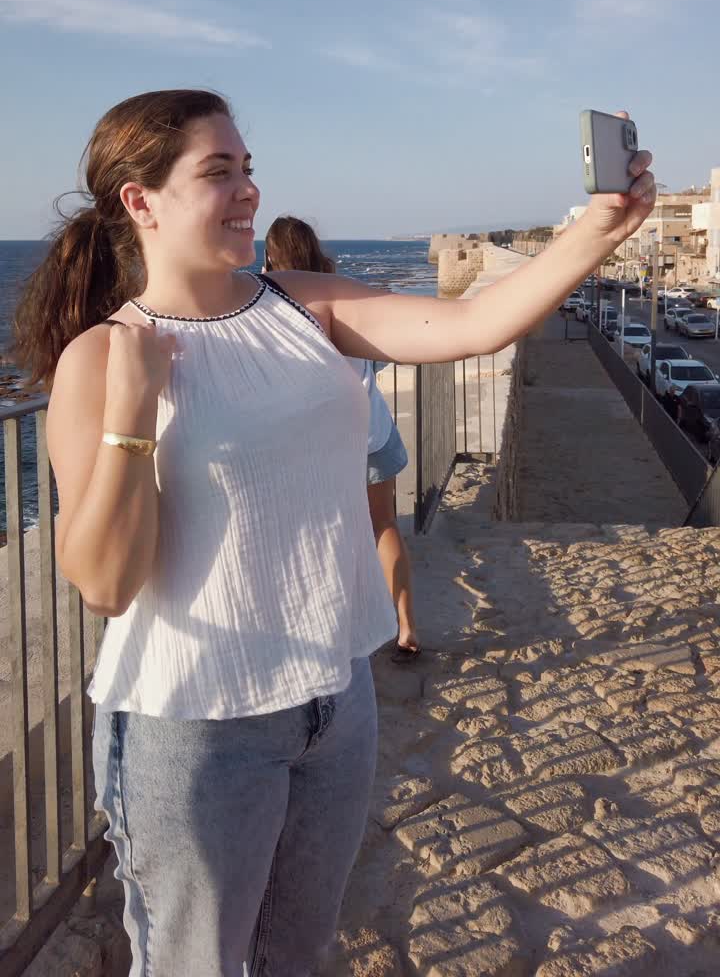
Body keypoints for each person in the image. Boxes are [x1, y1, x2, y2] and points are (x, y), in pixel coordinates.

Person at [12, 91, 655, 977]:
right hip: (193, 727)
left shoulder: (302, 307)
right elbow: (105, 584)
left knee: (298, 953)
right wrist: (130, 412)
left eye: (246, 167)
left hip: (332, 697)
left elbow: (471, 324)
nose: (248, 191)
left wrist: (601, 229)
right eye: (217, 172)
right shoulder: (103, 358)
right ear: (140, 200)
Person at [263, 215, 420, 660]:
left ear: (271, 257)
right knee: (383, 526)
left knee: (322, 536)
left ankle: (335, 634)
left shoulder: (276, 310)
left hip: (324, 446)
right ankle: (406, 625)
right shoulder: (344, 295)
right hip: (374, 432)